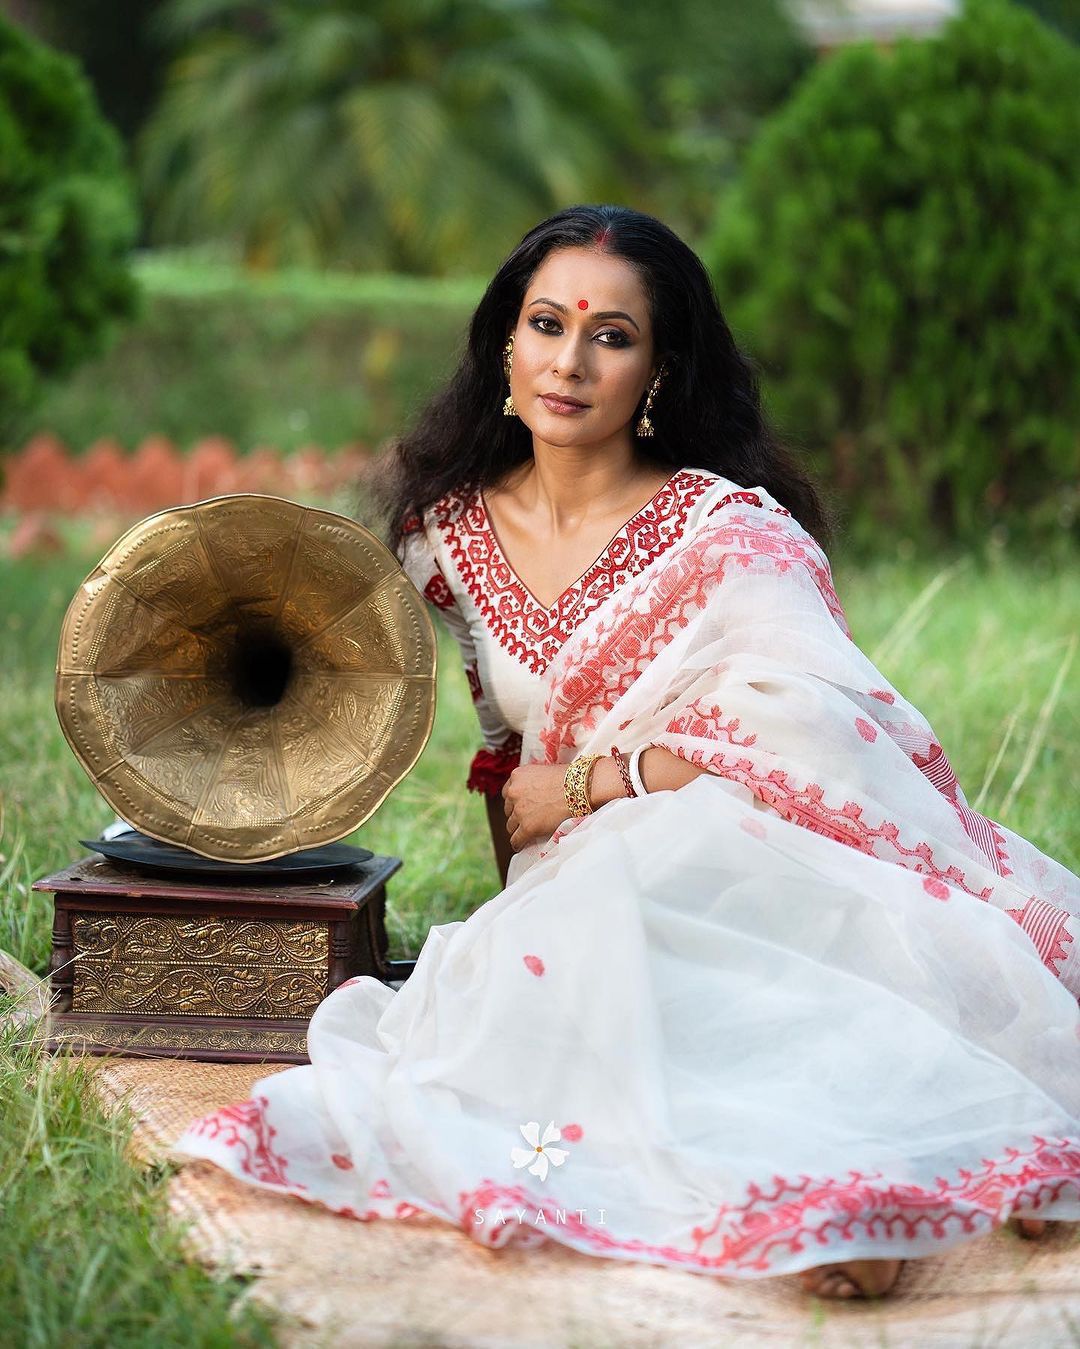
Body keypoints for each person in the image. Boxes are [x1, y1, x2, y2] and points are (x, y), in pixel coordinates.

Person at [175, 204, 1080, 1301]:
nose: (569, 360)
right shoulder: (443, 538)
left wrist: (610, 781)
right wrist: (523, 872)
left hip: (755, 841)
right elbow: (501, 758)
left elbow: (813, 723)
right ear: (503, 345)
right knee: (524, 993)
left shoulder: (724, 528)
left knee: (702, 952)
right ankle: (820, 1191)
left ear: (657, 369)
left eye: (612, 335)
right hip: (579, 876)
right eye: (546, 322)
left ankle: (853, 1190)